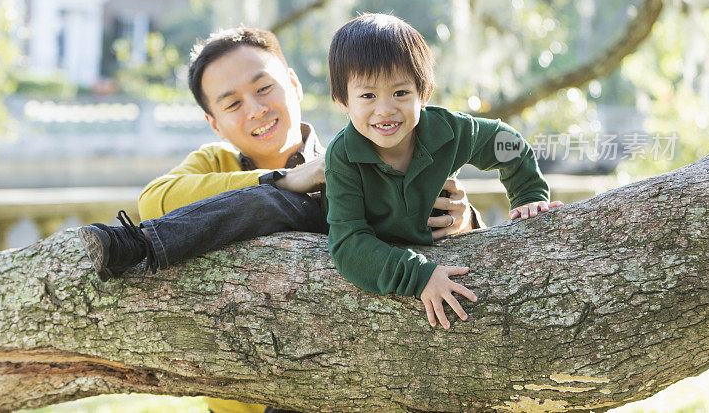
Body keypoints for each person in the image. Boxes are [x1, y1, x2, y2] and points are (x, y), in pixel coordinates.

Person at [77, 26, 483, 413]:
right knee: (263, 202)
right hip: (238, 396)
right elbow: (152, 200)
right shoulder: (211, 163)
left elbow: (414, 209)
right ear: (214, 123)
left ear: (294, 84)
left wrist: (464, 219)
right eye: (233, 103)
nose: (256, 110)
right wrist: (284, 180)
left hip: (334, 378)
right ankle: (132, 247)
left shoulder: (355, 150)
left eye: (264, 88)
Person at [324, 13, 563, 330]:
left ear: (425, 93)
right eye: (367, 95)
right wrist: (419, 275)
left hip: (446, 238)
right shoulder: (343, 155)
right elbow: (348, 244)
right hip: (386, 258)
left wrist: (528, 194)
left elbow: (506, 142)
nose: (385, 109)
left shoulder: (445, 130)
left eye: (400, 93)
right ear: (343, 100)